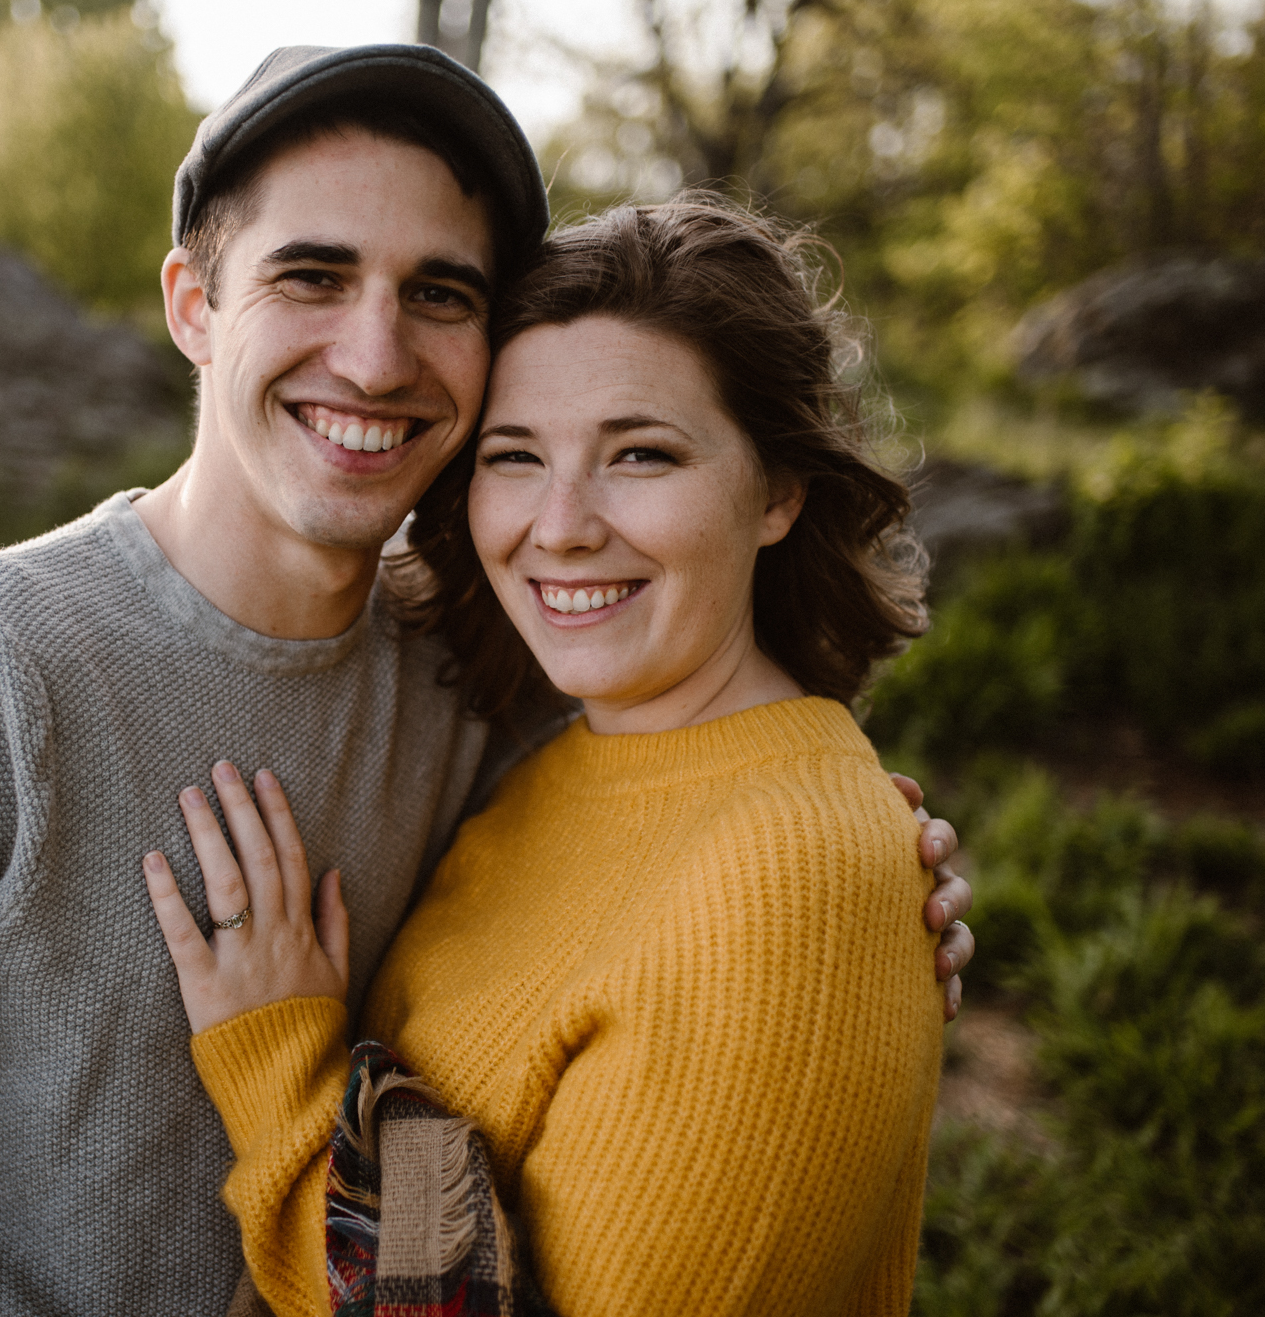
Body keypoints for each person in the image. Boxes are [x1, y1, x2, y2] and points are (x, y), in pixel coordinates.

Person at [0, 46, 973, 1316]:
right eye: (311, 274)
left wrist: (855, 880)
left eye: (440, 294)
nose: (371, 358)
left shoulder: (485, 672)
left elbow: (700, 815)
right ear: (194, 303)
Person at [143, 193, 947, 1316]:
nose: (559, 524)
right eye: (514, 456)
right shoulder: (560, 753)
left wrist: (279, 1066)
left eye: (642, 454)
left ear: (775, 492)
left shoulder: (798, 886)